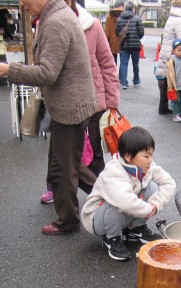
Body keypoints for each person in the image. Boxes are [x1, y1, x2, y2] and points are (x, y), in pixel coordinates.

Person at [0, 0, 98, 235]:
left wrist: (8, 70)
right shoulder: (58, 15)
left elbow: (47, 72)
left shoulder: (56, 21)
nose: (21, 3)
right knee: (69, 164)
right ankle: (110, 197)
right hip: (71, 105)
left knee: (64, 169)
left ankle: (69, 221)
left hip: (70, 108)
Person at [39, 0, 120, 204]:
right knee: (59, 152)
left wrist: (111, 100)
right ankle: (57, 188)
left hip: (92, 100)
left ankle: (104, 198)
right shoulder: (47, 22)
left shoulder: (91, 25)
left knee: (92, 151)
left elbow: (107, 63)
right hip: (61, 99)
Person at [81, 127, 176, 261]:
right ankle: (111, 237)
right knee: (115, 201)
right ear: (128, 156)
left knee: (152, 187)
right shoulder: (113, 172)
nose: (150, 160)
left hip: (123, 211)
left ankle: (134, 229)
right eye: (146, 156)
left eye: (151, 155)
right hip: (98, 220)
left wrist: (156, 204)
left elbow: (169, 182)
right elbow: (125, 201)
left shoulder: (148, 166)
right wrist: (147, 209)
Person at [154, 0, 181, 115]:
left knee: (166, 80)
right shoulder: (180, 21)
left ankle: (163, 106)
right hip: (175, 55)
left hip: (166, 52)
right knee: (179, 82)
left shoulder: (171, 18)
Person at [115, 1, 144, 89]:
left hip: (124, 45)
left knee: (124, 63)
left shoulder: (119, 19)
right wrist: (136, 37)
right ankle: (136, 80)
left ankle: (124, 82)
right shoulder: (137, 18)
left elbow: (117, 32)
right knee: (135, 63)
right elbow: (141, 32)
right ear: (132, 8)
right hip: (135, 45)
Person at [166, 39, 181, 123]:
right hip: (175, 85)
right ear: (173, 50)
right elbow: (169, 75)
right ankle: (176, 114)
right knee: (176, 100)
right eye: (179, 50)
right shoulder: (171, 60)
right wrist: (170, 86)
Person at [105, 0, 125, 65]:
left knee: (113, 60)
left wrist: (106, 41)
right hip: (122, 40)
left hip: (112, 41)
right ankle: (122, 75)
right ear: (122, 5)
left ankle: (114, 74)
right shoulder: (124, 15)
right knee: (123, 62)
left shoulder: (109, 16)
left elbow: (107, 31)